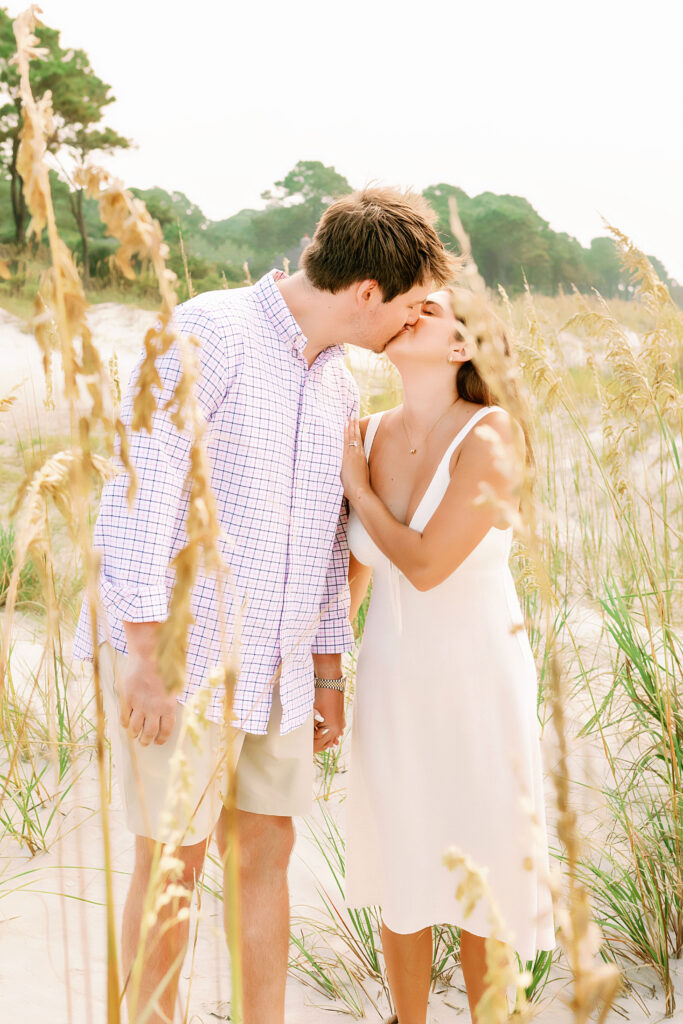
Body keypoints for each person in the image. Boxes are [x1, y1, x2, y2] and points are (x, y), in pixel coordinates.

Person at [71, 188, 456, 1024]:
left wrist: (326, 673)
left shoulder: (339, 389)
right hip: (178, 657)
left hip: (278, 673)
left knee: (266, 852)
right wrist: (141, 658)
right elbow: (140, 495)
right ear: (367, 295)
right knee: (173, 858)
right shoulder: (208, 332)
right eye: (406, 306)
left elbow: (325, 547)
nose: (407, 325)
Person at [341, 287, 556, 1024]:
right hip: (391, 684)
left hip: (477, 684)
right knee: (403, 863)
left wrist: (359, 494)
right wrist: (321, 680)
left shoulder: (492, 433)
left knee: (480, 869)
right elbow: (353, 583)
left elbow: (428, 565)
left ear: (460, 347)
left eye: (427, 311)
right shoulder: (363, 431)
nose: (408, 312)